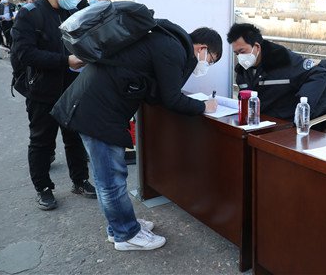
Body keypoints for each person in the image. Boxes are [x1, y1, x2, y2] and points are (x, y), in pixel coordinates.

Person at [51, 18, 223, 251]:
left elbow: (156, 92)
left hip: (97, 106)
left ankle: (119, 226)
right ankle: (126, 234)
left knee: (109, 175)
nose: (206, 65)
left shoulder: (166, 40)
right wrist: (204, 106)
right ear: (202, 48)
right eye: (210, 60)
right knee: (111, 178)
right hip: (97, 111)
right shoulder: (173, 49)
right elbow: (171, 98)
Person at [11, 0, 96, 210]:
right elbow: (25, 53)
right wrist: (65, 61)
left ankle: (80, 180)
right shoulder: (31, 14)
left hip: (72, 88)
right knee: (42, 141)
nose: (77, 0)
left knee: (75, 138)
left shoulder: (75, 12)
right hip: (41, 90)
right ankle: (43, 188)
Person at [227, 23, 326, 120]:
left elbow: (318, 73)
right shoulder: (242, 71)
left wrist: (302, 108)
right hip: (257, 121)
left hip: (284, 122)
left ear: (257, 47)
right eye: (237, 53)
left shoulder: (283, 59)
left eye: (242, 51)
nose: (240, 57)